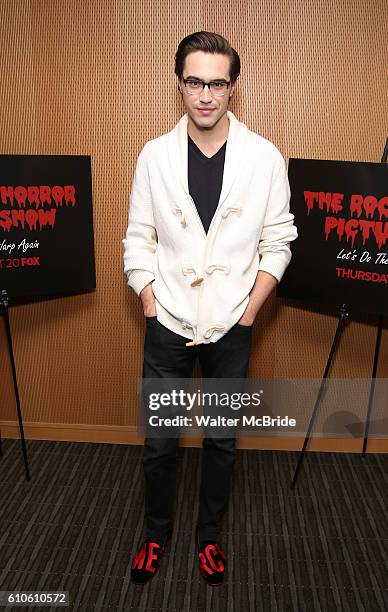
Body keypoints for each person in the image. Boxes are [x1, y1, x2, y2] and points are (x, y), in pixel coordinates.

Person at [122, 31, 297, 587]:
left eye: (216, 83)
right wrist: (150, 298)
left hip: (232, 326)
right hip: (168, 323)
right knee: (160, 443)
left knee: (221, 441)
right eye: (194, 81)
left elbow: (279, 240)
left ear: (232, 87)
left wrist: (249, 311)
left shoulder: (264, 157)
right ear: (180, 83)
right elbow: (138, 238)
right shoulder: (154, 155)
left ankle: (209, 536)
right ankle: (156, 532)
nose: (205, 94)